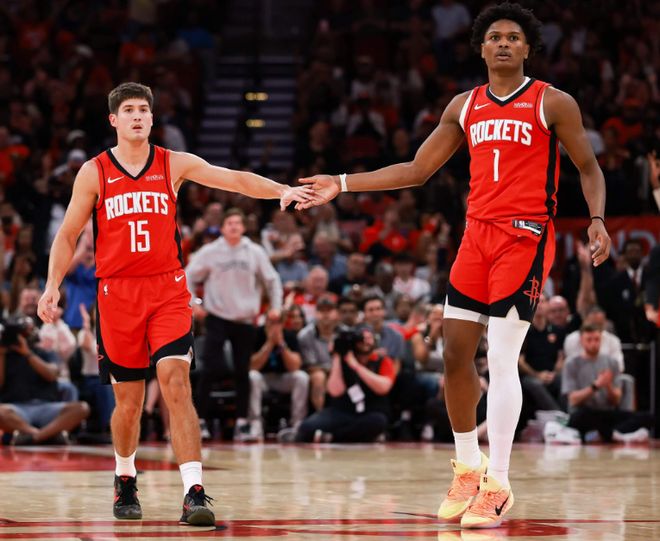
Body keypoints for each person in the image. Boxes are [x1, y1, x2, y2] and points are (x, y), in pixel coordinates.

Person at [297, 3, 611, 529]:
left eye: (514, 37)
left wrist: (597, 219)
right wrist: (342, 183)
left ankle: (499, 483)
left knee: (502, 356)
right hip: (475, 237)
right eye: (495, 37)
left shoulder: (553, 101)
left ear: (528, 48)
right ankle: (468, 466)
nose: (504, 43)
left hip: (525, 236)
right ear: (481, 48)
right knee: (455, 355)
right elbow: (416, 170)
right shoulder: (464, 106)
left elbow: (589, 166)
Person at [37, 82, 312, 526]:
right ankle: (125, 476)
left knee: (176, 382)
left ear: (152, 118)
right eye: (129, 110)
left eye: (143, 110)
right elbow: (68, 234)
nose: (137, 116)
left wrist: (280, 189)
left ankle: (194, 493)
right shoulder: (94, 171)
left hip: (167, 290)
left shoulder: (173, 163)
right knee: (128, 404)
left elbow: (233, 178)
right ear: (114, 120)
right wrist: (52, 285)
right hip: (117, 294)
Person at [185, 208, 285, 443]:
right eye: (229, 223)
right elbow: (187, 275)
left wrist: (276, 307)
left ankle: (242, 422)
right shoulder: (211, 251)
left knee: (242, 371)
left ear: (243, 227)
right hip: (217, 317)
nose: (233, 226)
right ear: (222, 228)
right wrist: (193, 304)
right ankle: (201, 421)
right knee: (210, 368)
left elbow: (272, 280)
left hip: (244, 319)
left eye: (237, 223)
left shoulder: (254, 251)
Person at [295, 327, 396, 443]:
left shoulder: (382, 360)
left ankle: (331, 437)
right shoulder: (343, 360)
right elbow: (335, 391)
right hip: (343, 411)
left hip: (370, 412)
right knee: (307, 427)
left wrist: (356, 366)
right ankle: (346, 436)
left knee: (378, 422)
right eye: (361, 338)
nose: (365, 342)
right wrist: (338, 355)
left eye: (369, 338)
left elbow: (383, 388)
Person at [561, 324, 652, 443]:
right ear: (581, 341)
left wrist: (608, 386)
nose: (593, 343)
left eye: (597, 339)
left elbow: (616, 400)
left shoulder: (612, 362)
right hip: (584, 413)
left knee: (648, 417)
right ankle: (614, 434)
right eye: (589, 340)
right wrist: (595, 386)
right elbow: (573, 400)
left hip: (606, 412)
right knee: (581, 417)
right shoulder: (571, 363)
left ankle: (606, 434)